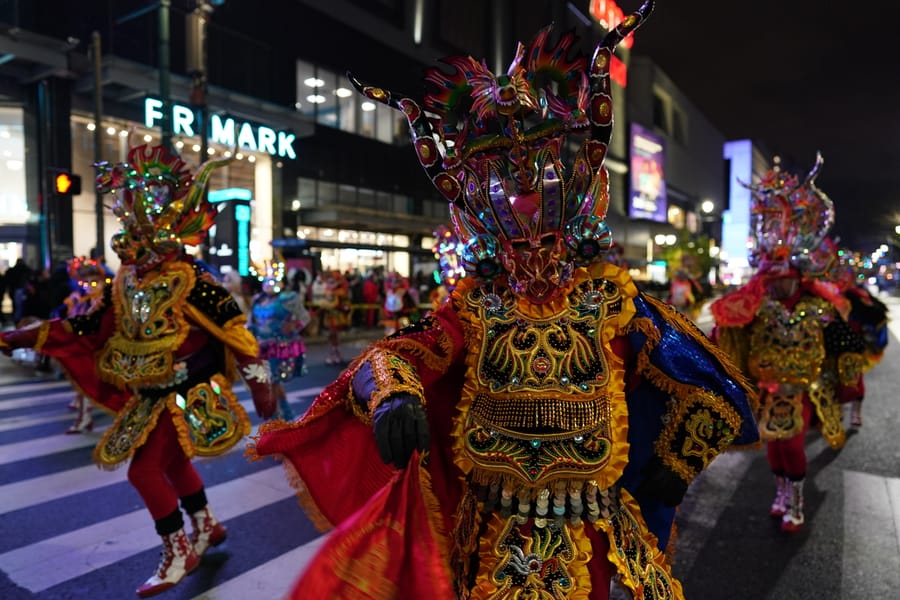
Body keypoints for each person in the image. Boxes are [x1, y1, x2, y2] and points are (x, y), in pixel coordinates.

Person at [249, 4, 759, 598]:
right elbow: (396, 354)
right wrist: (391, 393)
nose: (531, 237)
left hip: (588, 527)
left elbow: (709, 387)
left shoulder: (611, 303)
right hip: (488, 527)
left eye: (541, 208)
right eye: (508, 194)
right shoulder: (474, 307)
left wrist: (673, 468)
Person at [0, 142, 274, 597]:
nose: (135, 247)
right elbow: (91, 325)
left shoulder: (192, 278)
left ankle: (178, 549)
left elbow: (234, 330)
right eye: (130, 235)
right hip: (147, 390)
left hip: (186, 389)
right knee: (173, 464)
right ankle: (206, 524)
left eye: (144, 237)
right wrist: (24, 335)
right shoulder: (126, 281)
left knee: (143, 472)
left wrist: (260, 382)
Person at [710, 153, 867, 534]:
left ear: (799, 278)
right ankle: (781, 494)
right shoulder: (757, 305)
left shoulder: (820, 307)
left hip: (804, 392)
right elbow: (725, 338)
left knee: (793, 447)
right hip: (767, 391)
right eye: (772, 278)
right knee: (775, 448)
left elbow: (846, 348)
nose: (779, 284)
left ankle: (796, 503)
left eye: (785, 278)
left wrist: (847, 387)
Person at [247, 258, 310, 421]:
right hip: (260, 346)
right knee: (268, 382)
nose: (270, 281)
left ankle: (279, 416)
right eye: (267, 278)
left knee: (272, 382)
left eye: (273, 278)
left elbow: (304, 317)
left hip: (279, 346)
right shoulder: (258, 300)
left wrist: (293, 326)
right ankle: (283, 414)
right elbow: (251, 322)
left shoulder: (288, 299)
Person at [58, 256, 112, 433]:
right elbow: (71, 321)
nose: (90, 285)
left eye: (94, 282)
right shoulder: (81, 300)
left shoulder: (106, 301)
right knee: (83, 386)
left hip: (106, 350)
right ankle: (84, 419)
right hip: (87, 349)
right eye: (86, 282)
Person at [319, 269, 351, 365]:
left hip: (337, 316)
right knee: (331, 336)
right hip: (330, 316)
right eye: (329, 281)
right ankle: (334, 354)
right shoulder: (328, 291)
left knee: (335, 335)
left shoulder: (340, 292)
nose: (330, 284)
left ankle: (335, 354)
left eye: (332, 281)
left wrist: (342, 307)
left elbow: (345, 304)